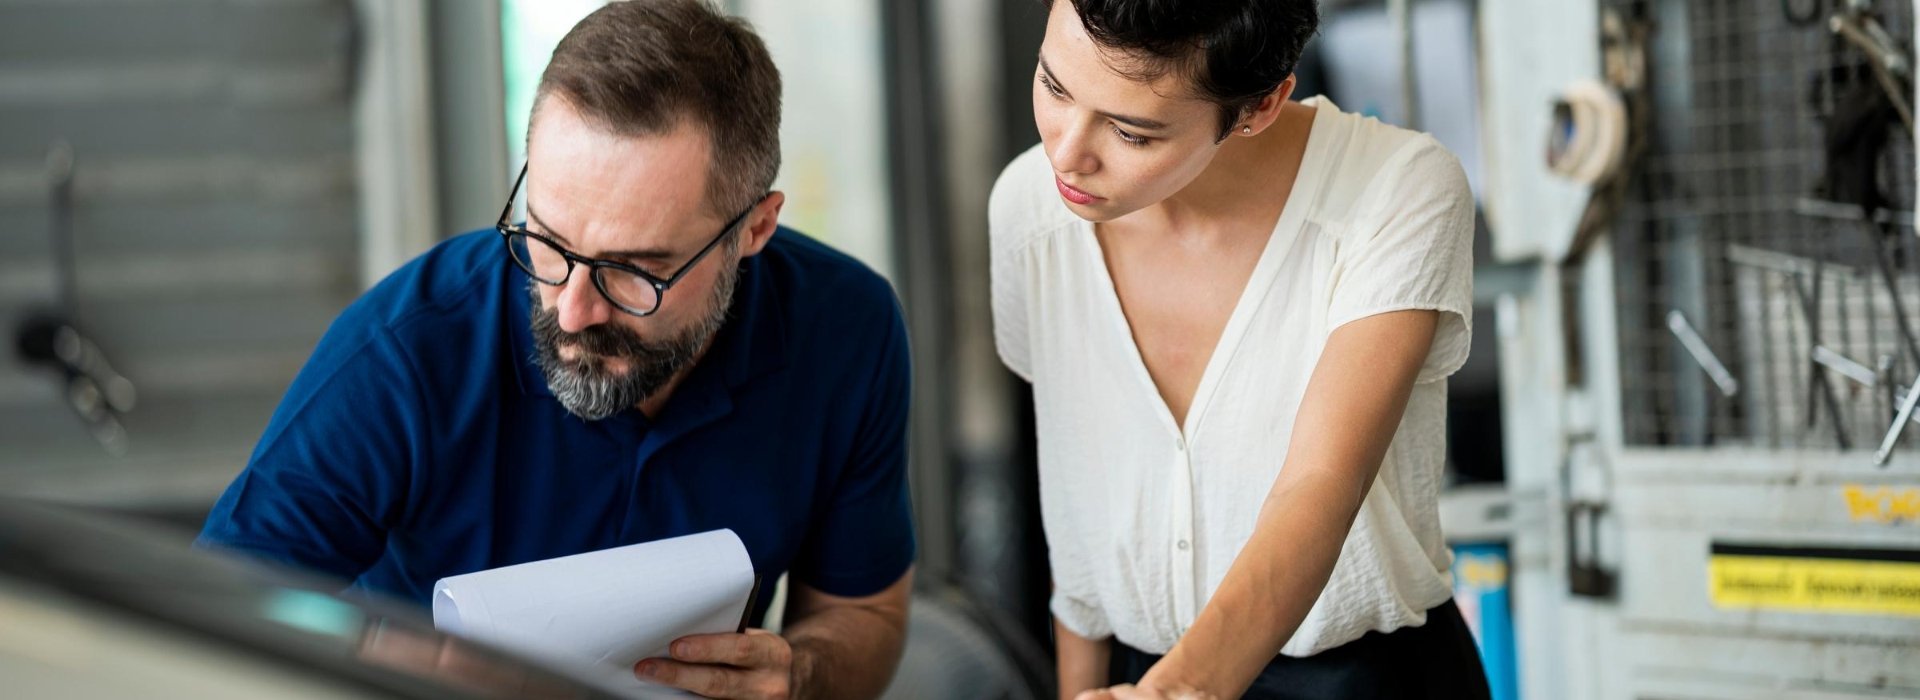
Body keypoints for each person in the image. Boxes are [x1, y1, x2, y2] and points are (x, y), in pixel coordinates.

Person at [197, 2, 914, 697]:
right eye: (546, 240)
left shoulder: (846, 329)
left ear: (754, 230)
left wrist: (804, 677)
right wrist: (381, 656)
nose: (571, 309)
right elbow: (208, 628)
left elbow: (863, 613)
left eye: (634, 271)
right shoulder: (407, 354)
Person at [989, 1, 1491, 698]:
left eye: (1132, 133)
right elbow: (1081, 510)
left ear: (1259, 105)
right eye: (1054, 86)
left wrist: (1174, 691)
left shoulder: (1396, 189)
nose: (1066, 152)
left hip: (1355, 680)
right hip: (1139, 673)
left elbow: (1319, 486)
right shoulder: (1027, 209)